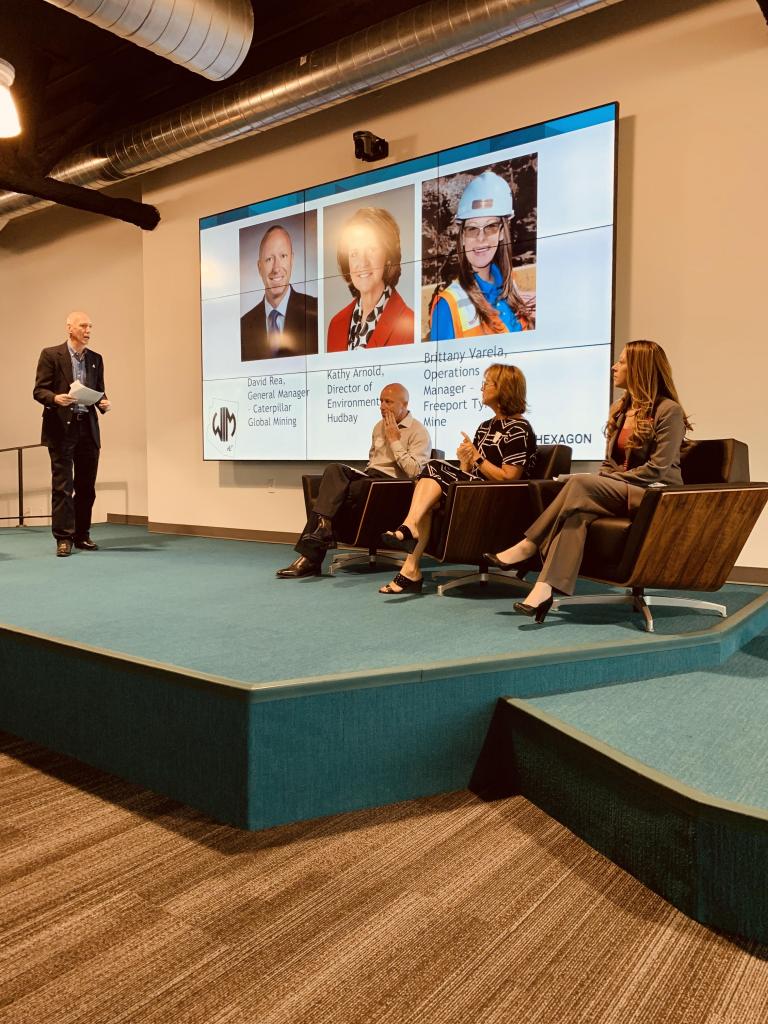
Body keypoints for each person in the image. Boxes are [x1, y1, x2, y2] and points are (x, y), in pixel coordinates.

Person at [484, 340, 691, 622]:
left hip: (655, 494)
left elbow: (656, 470)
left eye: (622, 362)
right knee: (576, 515)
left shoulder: (669, 411)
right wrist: (607, 477)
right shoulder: (620, 408)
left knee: (581, 485)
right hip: (622, 490)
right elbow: (609, 463)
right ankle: (543, 589)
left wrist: (609, 479)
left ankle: (529, 545)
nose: (614, 367)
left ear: (640, 368)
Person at [377, 363, 537, 594]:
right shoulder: (485, 427)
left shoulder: (519, 428)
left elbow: (509, 479)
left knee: (433, 466)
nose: (482, 388)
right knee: (429, 500)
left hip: (502, 501)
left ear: (504, 388)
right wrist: (465, 462)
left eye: (487, 383)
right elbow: (472, 475)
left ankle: (408, 527)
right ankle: (410, 568)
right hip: (477, 493)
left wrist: (478, 458)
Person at [276, 383, 430, 578]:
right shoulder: (378, 426)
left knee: (337, 495)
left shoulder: (418, 431)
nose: (382, 406)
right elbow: (373, 460)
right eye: (380, 401)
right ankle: (323, 527)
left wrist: (394, 441)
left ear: (404, 404)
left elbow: (415, 471)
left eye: (388, 402)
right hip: (369, 478)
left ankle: (310, 558)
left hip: (389, 486)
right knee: (334, 469)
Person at [33, 311, 111, 557]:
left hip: (87, 428)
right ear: (69, 328)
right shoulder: (50, 355)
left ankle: (82, 534)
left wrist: (103, 403)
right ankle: (63, 537)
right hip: (61, 429)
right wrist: (56, 398)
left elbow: (99, 391)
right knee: (63, 486)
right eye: (83, 326)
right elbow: (39, 391)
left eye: (91, 326)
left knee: (87, 486)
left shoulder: (96, 359)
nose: (88, 330)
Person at [429, 169, 534, 340]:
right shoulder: (448, 305)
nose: (481, 238)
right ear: (462, 237)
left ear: (501, 232)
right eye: (472, 228)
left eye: (491, 227)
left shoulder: (511, 289)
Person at [326, 207, 415, 351]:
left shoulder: (410, 324)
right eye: (354, 253)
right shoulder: (336, 324)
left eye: (371, 250)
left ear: (388, 256)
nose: (363, 262)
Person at [240, 224, 318, 361]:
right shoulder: (243, 325)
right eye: (269, 259)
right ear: (259, 267)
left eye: (283, 256)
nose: (276, 268)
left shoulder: (316, 310)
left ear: (291, 260)